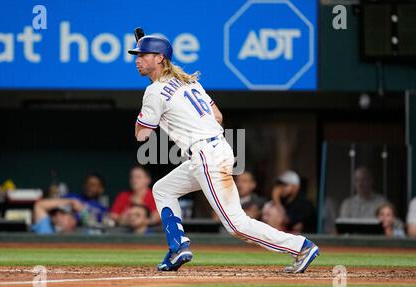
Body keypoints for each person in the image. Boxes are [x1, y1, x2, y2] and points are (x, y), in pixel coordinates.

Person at [127, 31, 319, 273]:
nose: (137, 59)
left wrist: (150, 115)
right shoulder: (189, 81)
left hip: (206, 155)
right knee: (163, 189)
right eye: (137, 55)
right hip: (216, 148)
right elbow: (217, 116)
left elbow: (142, 135)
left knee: (236, 225)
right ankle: (178, 247)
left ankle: (301, 246)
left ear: (159, 58)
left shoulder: (153, 92)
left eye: (143, 55)